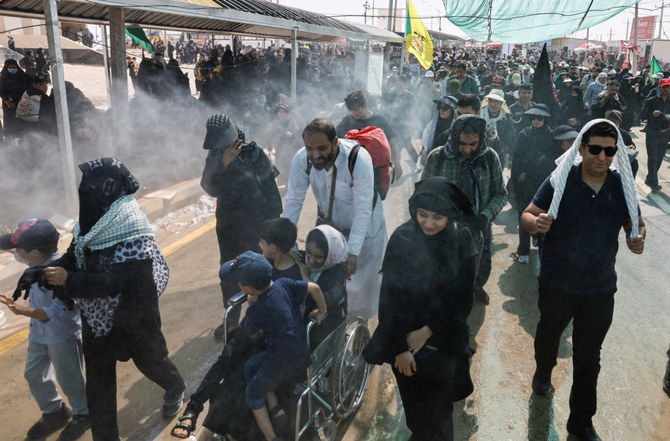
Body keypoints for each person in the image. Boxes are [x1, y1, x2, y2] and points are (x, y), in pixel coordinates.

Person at [43, 158, 186, 441]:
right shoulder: (92, 218)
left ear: (108, 187)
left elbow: (117, 282)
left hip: (134, 314)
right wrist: (42, 272)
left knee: (151, 361)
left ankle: (175, 386)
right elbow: (75, 252)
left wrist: (68, 280)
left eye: (90, 183)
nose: (85, 189)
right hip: (96, 317)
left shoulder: (133, 229)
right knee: (98, 383)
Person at [521, 120, 645, 441]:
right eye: (595, 149)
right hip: (557, 283)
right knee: (548, 336)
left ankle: (580, 421)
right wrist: (538, 223)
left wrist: (637, 238)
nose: (601, 157)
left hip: (599, 288)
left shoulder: (622, 187)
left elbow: (637, 223)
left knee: (589, 357)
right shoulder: (560, 181)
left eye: (609, 150)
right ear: (581, 148)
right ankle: (544, 370)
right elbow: (528, 213)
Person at [363, 177, 478, 441]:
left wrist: (428, 330)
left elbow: (462, 299)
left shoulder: (461, 240)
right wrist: (400, 349)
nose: (428, 223)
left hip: (444, 341)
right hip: (402, 340)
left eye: (437, 217)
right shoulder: (402, 239)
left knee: (439, 417)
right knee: (416, 413)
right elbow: (389, 301)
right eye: (422, 215)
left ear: (449, 214)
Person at [284, 118, 387, 319]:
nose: (315, 155)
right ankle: (338, 325)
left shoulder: (357, 158)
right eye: (309, 148)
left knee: (361, 286)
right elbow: (294, 200)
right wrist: (286, 241)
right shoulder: (301, 159)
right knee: (330, 282)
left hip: (365, 232)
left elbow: (363, 209)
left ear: (335, 143)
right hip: (331, 231)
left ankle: (359, 327)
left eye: (321, 148)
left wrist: (354, 250)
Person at [219, 251, 327, 441]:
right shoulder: (283, 284)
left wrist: (253, 307)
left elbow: (254, 335)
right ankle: (276, 410)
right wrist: (321, 311)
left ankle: (272, 438)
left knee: (252, 394)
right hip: (302, 353)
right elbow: (315, 288)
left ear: (248, 288)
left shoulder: (255, 311)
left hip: (282, 363)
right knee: (252, 366)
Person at [0, 220, 90, 441]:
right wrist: (10, 242)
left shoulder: (57, 274)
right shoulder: (34, 259)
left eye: (19, 248)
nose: (17, 253)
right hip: (39, 332)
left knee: (70, 378)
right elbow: (15, 250)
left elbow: (56, 311)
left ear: (35, 253)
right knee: (33, 374)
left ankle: (83, 413)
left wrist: (20, 310)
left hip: (62, 334)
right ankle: (55, 412)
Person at [200, 114, 283, 338]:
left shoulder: (253, 152)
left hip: (257, 225)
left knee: (261, 271)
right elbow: (209, 186)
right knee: (229, 271)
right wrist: (224, 163)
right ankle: (232, 318)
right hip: (228, 226)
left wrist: (274, 224)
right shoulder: (216, 155)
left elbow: (270, 188)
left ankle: (261, 318)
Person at [422, 115, 506, 305]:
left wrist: (485, 216)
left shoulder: (490, 158)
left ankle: (476, 288)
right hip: (443, 229)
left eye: (473, 144)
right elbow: (424, 195)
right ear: (453, 137)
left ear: (481, 139)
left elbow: (500, 193)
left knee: (479, 266)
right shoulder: (438, 157)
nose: (467, 150)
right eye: (462, 144)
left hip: (479, 226)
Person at [509, 104, 556, 264]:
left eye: (540, 118)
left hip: (544, 183)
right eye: (533, 117)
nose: (536, 120)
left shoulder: (552, 136)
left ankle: (537, 238)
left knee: (543, 217)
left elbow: (554, 159)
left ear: (546, 119)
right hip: (526, 183)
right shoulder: (524, 134)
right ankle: (523, 251)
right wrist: (519, 172)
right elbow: (517, 156)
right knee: (524, 214)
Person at [336, 89, 401, 178]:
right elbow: (335, 140)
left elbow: (392, 143)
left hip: (376, 172)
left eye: (356, 109)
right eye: (351, 110)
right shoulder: (347, 120)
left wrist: (397, 164)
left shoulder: (379, 120)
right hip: (353, 172)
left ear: (365, 105)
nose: (353, 113)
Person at [640, 77, 670, 192]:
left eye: (668, 87)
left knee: (658, 159)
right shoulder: (651, 101)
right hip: (652, 133)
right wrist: (653, 114)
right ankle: (654, 184)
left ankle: (649, 179)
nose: (666, 90)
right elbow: (642, 115)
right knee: (652, 159)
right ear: (660, 88)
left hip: (665, 134)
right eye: (664, 87)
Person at [0, 59, 30, 139]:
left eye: (14, 67)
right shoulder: (3, 78)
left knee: (22, 122)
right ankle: (10, 139)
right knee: (10, 122)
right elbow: (2, 91)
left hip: (22, 103)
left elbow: (30, 82)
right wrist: (7, 101)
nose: (12, 69)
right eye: (10, 68)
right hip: (9, 104)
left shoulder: (22, 76)